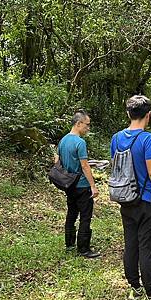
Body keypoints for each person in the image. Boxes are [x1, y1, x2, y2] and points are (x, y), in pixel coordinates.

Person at [111, 95, 151, 300]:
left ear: (129, 113)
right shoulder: (148, 139)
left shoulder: (116, 138)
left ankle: (134, 285)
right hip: (146, 201)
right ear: (148, 115)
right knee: (147, 246)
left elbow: (116, 167)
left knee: (131, 243)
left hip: (125, 198)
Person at [56, 110, 100, 258]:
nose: (88, 128)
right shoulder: (80, 142)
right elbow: (85, 166)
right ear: (78, 123)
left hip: (69, 185)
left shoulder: (63, 141)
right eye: (87, 125)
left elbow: (57, 162)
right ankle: (84, 249)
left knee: (71, 214)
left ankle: (69, 244)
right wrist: (93, 185)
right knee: (85, 216)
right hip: (82, 185)